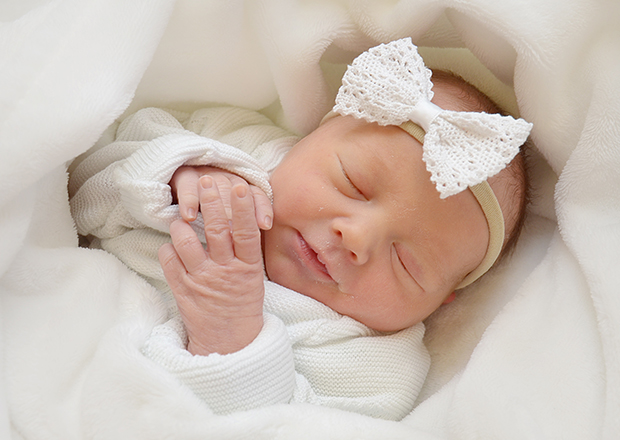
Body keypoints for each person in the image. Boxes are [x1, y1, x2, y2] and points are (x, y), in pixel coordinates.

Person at [69, 38, 532, 420]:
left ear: (440, 302)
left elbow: (293, 426)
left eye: (406, 262)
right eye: (352, 184)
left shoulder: (374, 364)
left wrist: (231, 339)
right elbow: (80, 188)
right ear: (306, 141)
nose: (356, 237)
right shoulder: (234, 152)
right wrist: (174, 175)